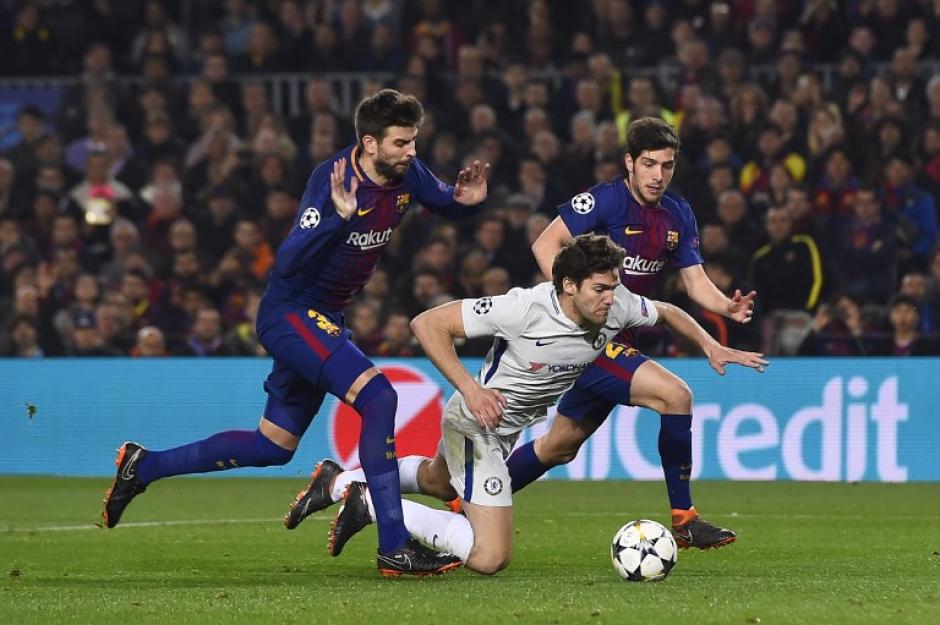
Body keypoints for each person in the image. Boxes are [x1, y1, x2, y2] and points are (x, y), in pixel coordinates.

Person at [101, 89, 491, 576]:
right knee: (379, 399)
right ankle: (394, 545)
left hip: (325, 318)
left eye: (413, 141)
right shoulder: (333, 181)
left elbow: (444, 201)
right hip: (290, 312)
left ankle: (145, 466)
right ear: (369, 143)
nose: (412, 152)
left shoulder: (406, 172)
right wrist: (338, 219)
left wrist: (466, 202)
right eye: (400, 143)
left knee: (273, 445)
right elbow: (287, 260)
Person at [282, 234, 766, 574]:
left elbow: (668, 310)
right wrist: (471, 390)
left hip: (505, 428)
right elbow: (428, 323)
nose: (610, 300)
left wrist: (711, 345)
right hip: (477, 424)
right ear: (568, 286)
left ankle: (340, 479)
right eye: (599, 289)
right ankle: (371, 504)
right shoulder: (525, 308)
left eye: (614, 287)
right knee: (490, 556)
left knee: (435, 479)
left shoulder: (616, 305)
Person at [514, 117, 757, 549]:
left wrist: (726, 306)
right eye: (649, 164)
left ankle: (466, 501)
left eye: (666, 166)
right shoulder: (603, 202)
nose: (657, 175)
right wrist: (573, 305)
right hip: (585, 339)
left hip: (621, 339)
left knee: (558, 447)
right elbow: (544, 245)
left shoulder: (677, 213)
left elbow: (695, 282)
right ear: (629, 162)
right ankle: (684, 519)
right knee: (676, 395)